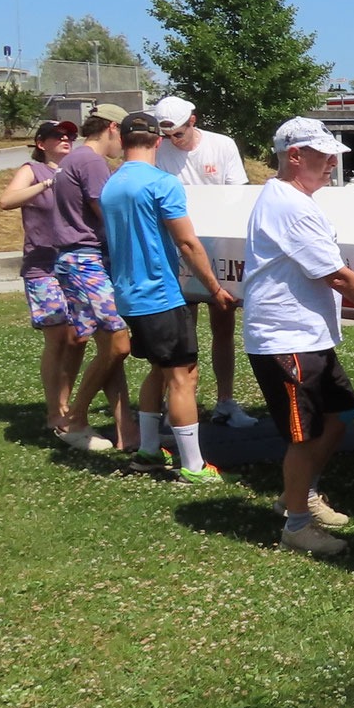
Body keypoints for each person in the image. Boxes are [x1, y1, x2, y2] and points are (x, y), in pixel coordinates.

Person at [243, 117, 354, 557]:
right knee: (304, 436)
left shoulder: (292, 199)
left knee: (342, 411)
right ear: (295, 156)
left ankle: (300, 495)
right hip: (286, 339)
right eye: (324, 155)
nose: (333, 163)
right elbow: (337, 276)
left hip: (307, 337)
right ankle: (296, 525)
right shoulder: (290, 206)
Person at [99, 111, 238, 483]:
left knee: (159, 370)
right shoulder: (162, 183)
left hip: (129, 294)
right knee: (183, 377)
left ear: (122, 140)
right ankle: (193, 467)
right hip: (160, 294)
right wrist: (215, 288)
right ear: (158, 142)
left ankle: (148, 450)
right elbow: (187, 242)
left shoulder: (112, 183)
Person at [153, 95, 256, 429]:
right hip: (178, 246)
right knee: (181, 332)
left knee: (223, 326)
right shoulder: (159, 152)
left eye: (178, 133)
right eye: (167, 134)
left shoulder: (221, 145)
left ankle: (225, 401)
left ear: (192, 122)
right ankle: (177, 403)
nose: (173, 140)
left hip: (218, 246)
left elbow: (238, 196)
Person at [0, 120, 89, 435]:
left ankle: (67, 405)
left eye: (70, 135)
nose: (66, 139)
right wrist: (47, 185)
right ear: (41, 143)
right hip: (43, 267)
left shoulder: (76, 172)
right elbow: (6, 201)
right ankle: (55, 412)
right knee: (58, 337)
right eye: (58, 136)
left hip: (75, 264)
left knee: (78, 338)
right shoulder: (33, 171)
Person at [56, 105, 134, 453]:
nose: (124, 145)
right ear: (112, 128)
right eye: (124, 136)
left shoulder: (73, 159)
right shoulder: (91, 161)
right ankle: (73, 420)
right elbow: (107, 212)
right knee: (119, 345)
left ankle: (127, 431)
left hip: (76, 260)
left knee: (109, 349)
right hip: (86, 261)